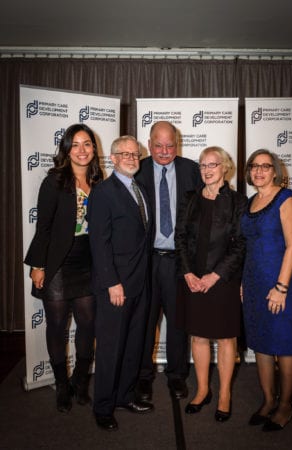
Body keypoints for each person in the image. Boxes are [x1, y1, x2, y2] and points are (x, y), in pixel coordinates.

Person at [24, 123, 103, 412]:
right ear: (67, 149)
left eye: (87, 144)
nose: (82, 150)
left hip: (88, 261)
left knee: (88, 324)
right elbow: (42, 227)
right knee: (57, 327)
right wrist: (38, 264)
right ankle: (61, 385)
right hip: (58, 262)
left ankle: (80, 381)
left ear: (94, 149)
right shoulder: (55, 181)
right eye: (76, 144)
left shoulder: (98, 179)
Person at [175, 146, 247, 421]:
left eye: (212, 165)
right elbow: (180, 237)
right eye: (203, 165)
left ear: (225, 167)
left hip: (223, 280)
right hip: (193, 278)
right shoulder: (190, 198)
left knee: (227, 338)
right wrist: (187, 273)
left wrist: (215, 276)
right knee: (199, 336)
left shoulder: (239, 202)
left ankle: (225, 393)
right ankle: (203, 389)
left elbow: (240, 245)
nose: (206, 170)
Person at [87, 135, 153, 431]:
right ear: (111, 158)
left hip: (141, 284)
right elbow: (99, 243)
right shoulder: (102, 192)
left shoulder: (140, 188)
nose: (131, 158)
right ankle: (103, 406)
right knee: (111, 347)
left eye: (135, 154)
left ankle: (125, 396)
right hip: (116, 286)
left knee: (133, 345)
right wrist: (112, 282)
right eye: (124, 154)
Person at [135, 121, 202, 403]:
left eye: (170, 145)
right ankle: (142, 376)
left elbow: (203, 213)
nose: (164, 151)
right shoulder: (136, 170)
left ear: (178, 144)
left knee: (177, 323)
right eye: (158, 145)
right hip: (147, 261)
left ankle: (177, 376)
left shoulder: (191, 170)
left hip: (179, 261)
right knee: (144, 322)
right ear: (149, 144)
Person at [241, 149, 292, 431]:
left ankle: (285, 405)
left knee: (285, 346)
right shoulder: (250, 201)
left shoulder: (285, 198)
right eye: (254, 166)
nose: (259, 171)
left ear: (276, 170)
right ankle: (268, 401)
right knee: (262, 345)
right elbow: (247, 247)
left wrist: (280, 287)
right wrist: (243, 282)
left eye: (265, 166)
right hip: (254, 282)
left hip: (281, 283)